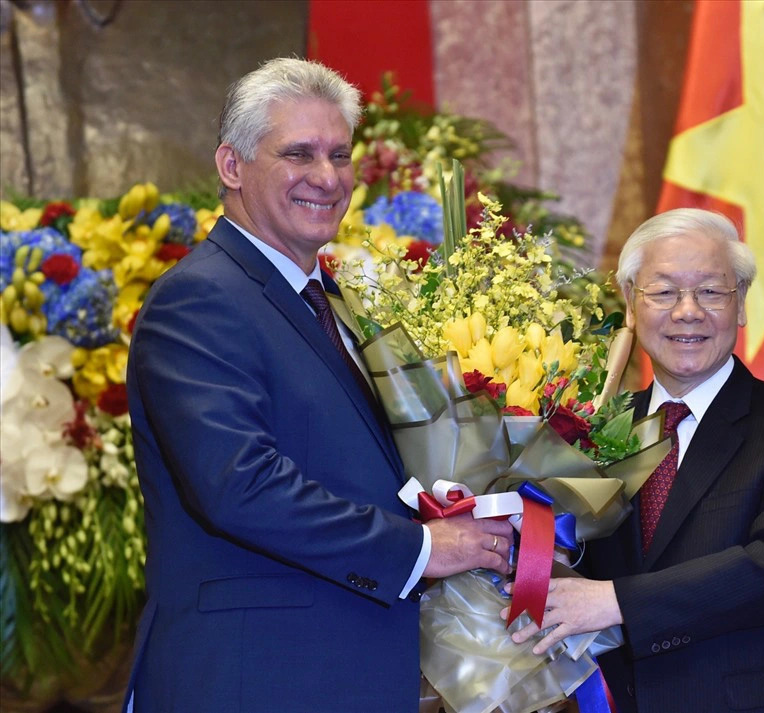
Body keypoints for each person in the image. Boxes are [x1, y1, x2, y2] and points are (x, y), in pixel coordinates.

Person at [122, 57, 512, 713]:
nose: (327, 177)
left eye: (340, 154)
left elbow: (348, 463)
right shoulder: (199, 299)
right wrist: (418, 545)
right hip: (249, 680)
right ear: (231, 166)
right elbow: (238, 484)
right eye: (298, 154)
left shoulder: (326, 300)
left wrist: (449, 503)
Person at [504, 209, 764, 712]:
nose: (688, 311)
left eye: (711, 292)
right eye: (664, 292)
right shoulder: (589, 428)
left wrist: (616, 602)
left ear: (740, 305)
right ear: (630, 304)